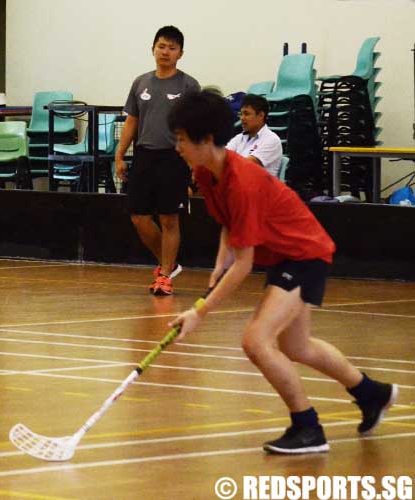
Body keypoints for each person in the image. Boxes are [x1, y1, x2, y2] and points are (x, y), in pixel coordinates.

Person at [166, 90, 398, 455]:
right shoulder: (206, 174)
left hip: (304, 253)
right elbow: (229, 226)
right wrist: (218, 262)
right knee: (296, 346)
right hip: (288, 257)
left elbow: (244, 264)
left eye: (181, 138)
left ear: (206, 139)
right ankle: (372, 393)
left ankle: (307, 427)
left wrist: (200, 312)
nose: (177, 146)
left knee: (256, 341)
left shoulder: (242, 180)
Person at [115, 25, 200, 296]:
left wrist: (195, 163)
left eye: (172, 48)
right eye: (161, 46)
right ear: (153, 48)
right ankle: (169, 263)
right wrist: (119, 155)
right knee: (139, 217)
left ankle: (164, 275)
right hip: (144, 156)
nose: (166, 52)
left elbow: (195, 127)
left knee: (169, 219)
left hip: (173, 159)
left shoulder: (189, 85)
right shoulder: (141, 83)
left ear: (181, 54)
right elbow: (132, 121)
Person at [226, 94, 283, 177]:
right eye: (241, 114)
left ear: (261, 115)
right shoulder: (239, 138)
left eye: (246, 114)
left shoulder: (272, 140)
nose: (242, 118)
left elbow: (246, 166)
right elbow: (221, 158)